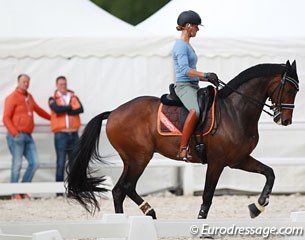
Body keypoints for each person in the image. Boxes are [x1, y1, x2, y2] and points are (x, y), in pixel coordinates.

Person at [173, 10, 219, 161]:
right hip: (184, 86)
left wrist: (208, 79)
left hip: (193, 85)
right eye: (196, 26)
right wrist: (205, 75)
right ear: (188, 26)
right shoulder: (180, 46)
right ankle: (183, 148)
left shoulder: (188, 45)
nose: (197, 29)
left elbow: (192, 72)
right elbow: (185, 71)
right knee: (196, 111)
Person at [3, 74, 51, 199]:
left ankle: (23, 189)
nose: (26, 84)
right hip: (16, 136)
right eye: (24, 81)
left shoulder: (29, 97)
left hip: (28, 136)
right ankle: (15, 193)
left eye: (27, 82)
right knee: (17, 164)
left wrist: (53, 118)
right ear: (18, 82)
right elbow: (6, 118)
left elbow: (38, 110)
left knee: (35, 163)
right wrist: (14, 133)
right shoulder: (11, 97)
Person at [48, 76, 83, 185]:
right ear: (57, 85)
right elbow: (57, 110)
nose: (63, 86)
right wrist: (70, 108)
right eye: (61, 84)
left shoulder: (73, 96)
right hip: (61, 135)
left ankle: (73, 188)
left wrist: (65, 109)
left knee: (74, 163)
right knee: (60, 163)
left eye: (65, 84)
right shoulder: (52, 98)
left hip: (73, 133)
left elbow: (80, 109)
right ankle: (58, 191)